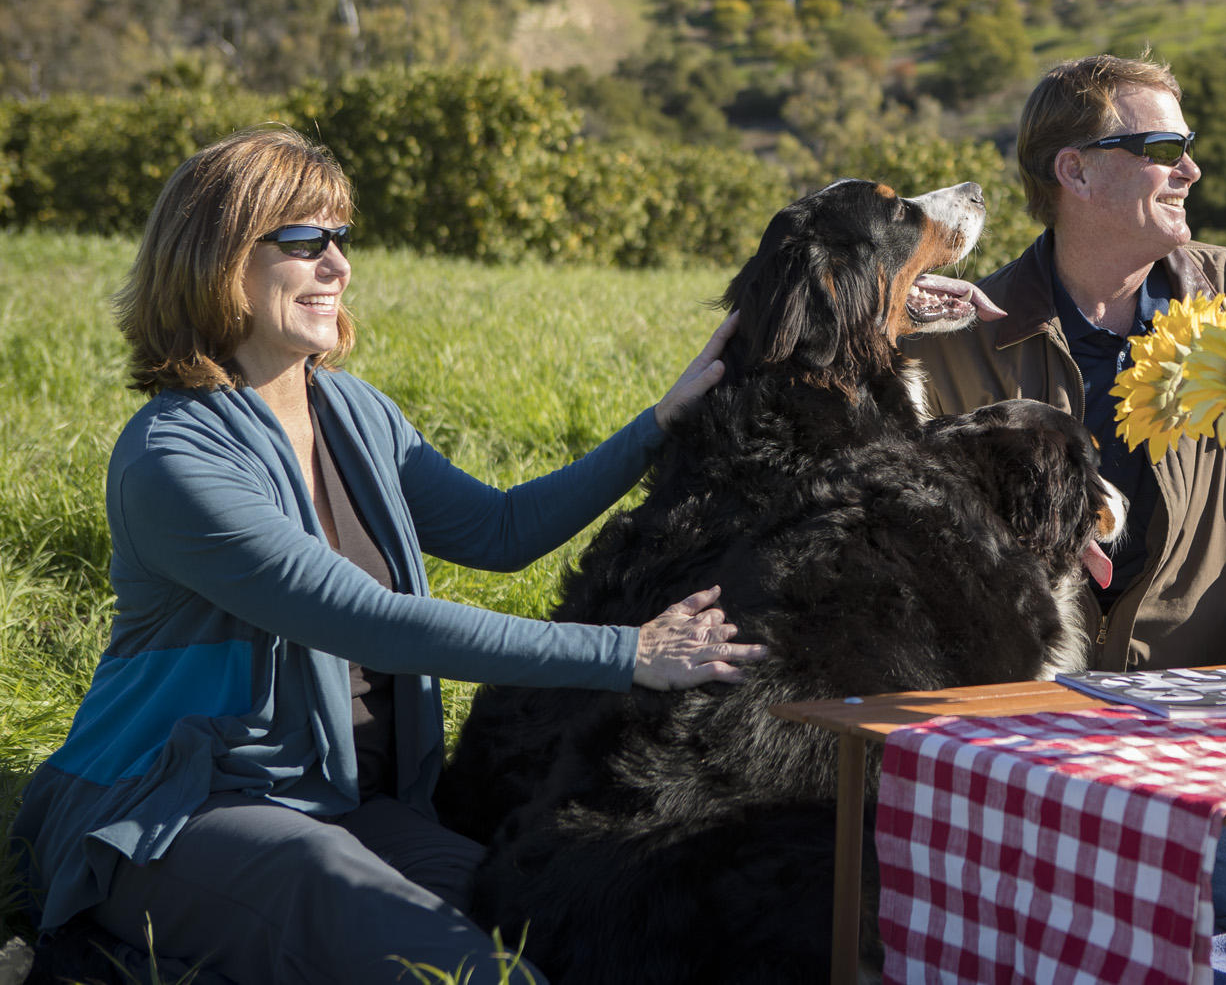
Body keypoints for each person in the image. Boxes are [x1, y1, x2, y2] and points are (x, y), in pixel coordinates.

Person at [6, 126, 766, 985]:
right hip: (181, 807)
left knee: (539, 919)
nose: (337, 265)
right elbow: (367, 619)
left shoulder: (355, 412)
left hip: (348, 804)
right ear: (217, 254)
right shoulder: (172, 460)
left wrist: (657, 425)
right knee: (452, 966)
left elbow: (500, 530)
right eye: (303, 239)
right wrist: (630, 654)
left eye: (340, 237)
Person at [906, 52, 1226, 938]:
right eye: (1159, 146)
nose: (1190, 169)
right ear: (1073, 170)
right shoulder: (959, 342)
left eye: (1186, 146)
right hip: (1038, 736)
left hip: (1223, 730)